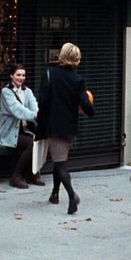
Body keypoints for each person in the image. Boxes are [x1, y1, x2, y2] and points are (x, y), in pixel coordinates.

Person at [37, 42, 95, 214]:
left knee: (60, 163)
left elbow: (43, 101)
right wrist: (92, 112)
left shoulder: (49, 73)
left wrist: (40, 121)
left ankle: (72, 195)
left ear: (61, 55)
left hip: (54, 124)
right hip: (70, 125)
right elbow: (85, 102)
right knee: (59, 159)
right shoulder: (78, 79)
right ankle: (55, 194)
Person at [0, 64, 45, 189]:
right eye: (18, 75)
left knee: (40, 140)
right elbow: (17, 110)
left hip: (25, 130)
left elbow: (35, 107)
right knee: (31, 144)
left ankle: (31, 174)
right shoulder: (6, 92)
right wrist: (34, 116)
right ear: (11, 76)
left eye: (23, 75)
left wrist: (38, 114)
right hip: (10, 132)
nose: (21, 78)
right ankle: (16, 177)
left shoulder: (27, 91)